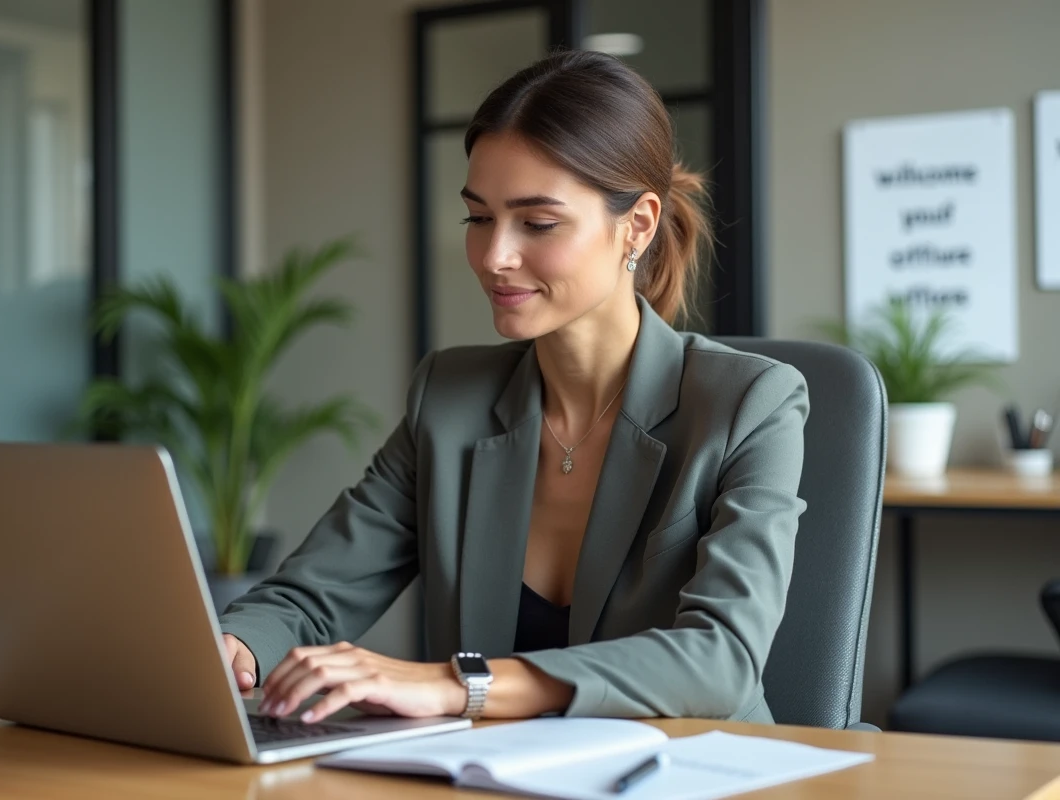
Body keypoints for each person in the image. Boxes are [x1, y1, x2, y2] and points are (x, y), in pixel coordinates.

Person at [218, 50, 808, 725]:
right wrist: (233, 647)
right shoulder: (449, 397)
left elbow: (721, 660)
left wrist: (455, 684)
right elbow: (309, 597)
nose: (494, 255)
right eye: (478, 218)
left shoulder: (751, 404)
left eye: (538, 223)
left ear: (636, 226)